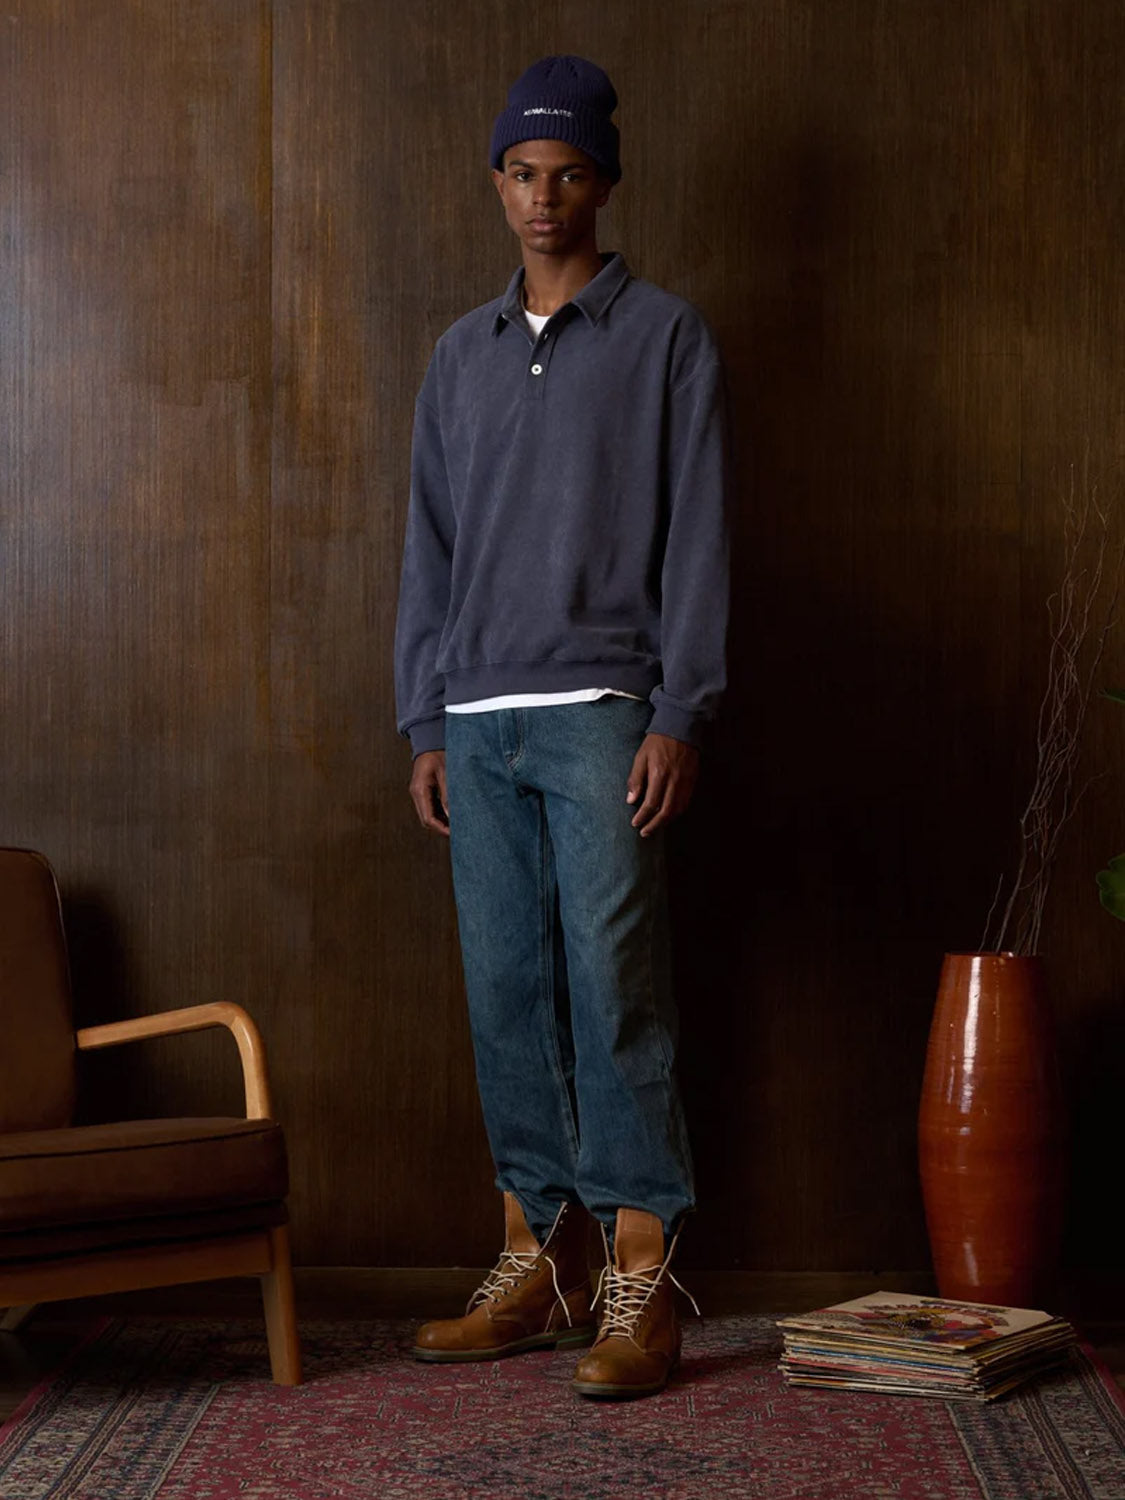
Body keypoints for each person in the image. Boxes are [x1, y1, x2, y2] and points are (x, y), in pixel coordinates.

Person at [393, 54, 728, 1400]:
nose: (544, 200)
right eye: (522, 176)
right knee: (503, 994)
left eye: (568, 174)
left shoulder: (664, 340)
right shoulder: (457, 357)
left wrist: (682, 709)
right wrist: (423, 712)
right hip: (475, 721)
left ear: (605, 181)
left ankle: (642, 1270)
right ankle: (535, 1258)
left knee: (613, 987)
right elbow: (425, 544)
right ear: (496, 184)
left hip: (603, 710)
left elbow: (698, 538)